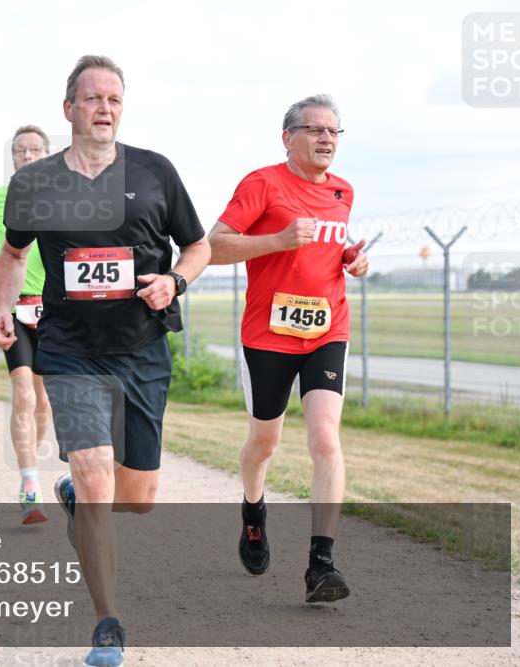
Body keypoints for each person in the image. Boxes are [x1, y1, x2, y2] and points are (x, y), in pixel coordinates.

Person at [0, 56, 210, 667]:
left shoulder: (154, 171)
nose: (104, 108)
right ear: (69, 109)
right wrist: (2, 308)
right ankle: (107, 624)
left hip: (142, 348)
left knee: (136, 497)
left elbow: (198, 246)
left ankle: (78, 502)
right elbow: (10, 255)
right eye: (92, 98)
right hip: (70, 350)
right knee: (94, 474)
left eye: (114, 98)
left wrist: (175, 281)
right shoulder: (34, 184)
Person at [207, 94, 368, 604]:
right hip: (268, 336)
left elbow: (325, 249)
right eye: (315, 129)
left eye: (334, 131)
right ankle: (253, 512)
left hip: (327, 331)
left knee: (325, 439)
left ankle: (321, 564)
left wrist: (349, 259)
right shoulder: (262, 184)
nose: (326, 139)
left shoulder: (344, 191)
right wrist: (276, 240)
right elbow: (213, 247)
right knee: (265, 445)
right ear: (288, 137)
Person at [0, 123, 54, 526]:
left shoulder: (64, 198)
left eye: (36, 151)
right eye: (21, 151)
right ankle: (29, 483)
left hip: (53, 311)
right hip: (14, 310)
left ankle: (30, 460)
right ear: (13, 157)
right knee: (23, 392)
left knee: (43, 404)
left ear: (48, 155)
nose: (28, 157)